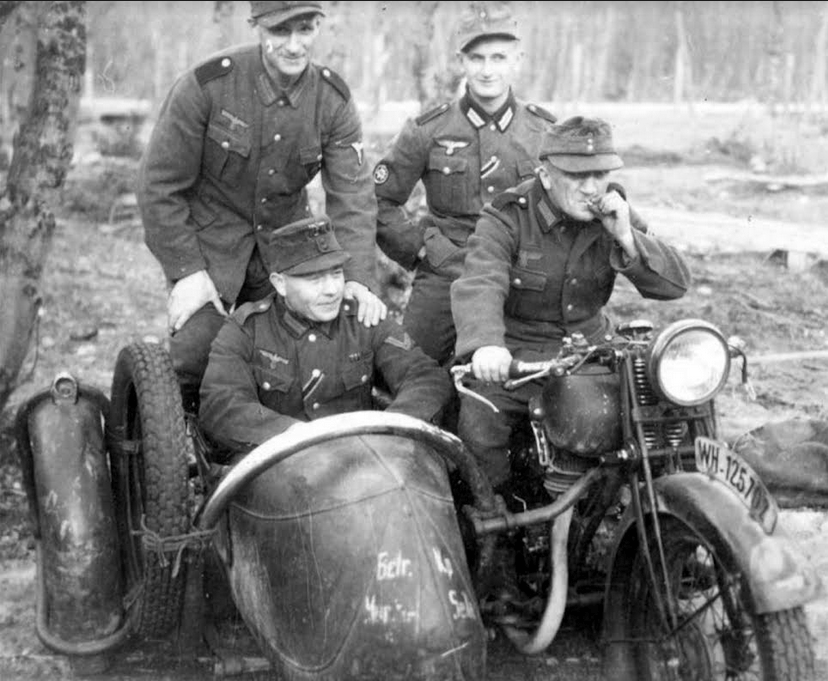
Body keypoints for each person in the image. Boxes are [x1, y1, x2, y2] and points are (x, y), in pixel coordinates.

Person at [137, 0, 386, 407]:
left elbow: (353, 199)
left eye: (305, 30)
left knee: (297, 358)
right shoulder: (208, 86)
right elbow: (158, 186)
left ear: (318, 28)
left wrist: (357, 278)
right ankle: (188, 437)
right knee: (198, 357)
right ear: (257, 27)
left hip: (286, 251)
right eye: (279, 32)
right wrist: (187, 272)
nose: (294, 45)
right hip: (209, 250)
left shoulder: (332, 100)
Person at [451, 115, 692, 499]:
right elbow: (481, 282)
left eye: (600, 175)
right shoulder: (508, 216)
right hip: (520, 359)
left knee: (662, 418)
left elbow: (676, 284)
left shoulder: (613, 213)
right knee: (481, 425)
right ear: (546, 176)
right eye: (577, 176)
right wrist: (486, 346)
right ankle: (500, 520)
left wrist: (627, 237)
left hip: (591, 352)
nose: (591, 188)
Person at [371, 2, 557, 366]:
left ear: (517, 60)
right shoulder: (429, 129)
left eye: (498, 58)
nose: (487, 70)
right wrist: (421, 250)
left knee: (536, 374)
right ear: (461, 61)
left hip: (520, 276)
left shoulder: (543, 132)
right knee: (408, 370)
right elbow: (378, 200)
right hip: (446, 272)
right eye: (477, 58)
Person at [198, 215, 452, 456]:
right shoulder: (247, 329)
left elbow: (425, 377)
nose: (332, 290)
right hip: (282, 467)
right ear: (280, 283)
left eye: (337, 273)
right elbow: (220, 403)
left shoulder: (364, 318)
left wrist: (387, 429)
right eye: (315, 279)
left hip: (366, 459)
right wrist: (292, 435)